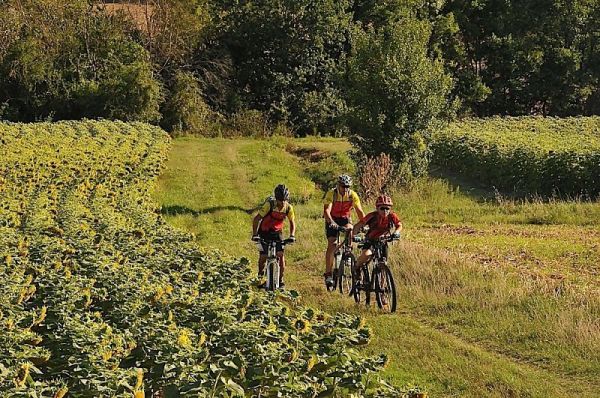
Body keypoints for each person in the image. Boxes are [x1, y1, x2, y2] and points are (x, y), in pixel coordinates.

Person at [322, 174, 365, 287]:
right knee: (332, 244)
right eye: (343, 186)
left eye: (347, 186)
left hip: (345, 218)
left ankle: (348, 251)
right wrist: (331, 222)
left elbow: (359, 211)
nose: (345, 188)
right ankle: (328, 274)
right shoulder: (332, 194)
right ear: (338, 185)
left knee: (350, 228)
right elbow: (327, 210)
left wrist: (365, 224)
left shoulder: (352, 195)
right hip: (332, 218)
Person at [251, 184, 296, 288]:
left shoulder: (288, 208)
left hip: (277, 232)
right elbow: (257, 219)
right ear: (276, 199)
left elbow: (292, 222)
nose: (282, 202)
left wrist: (292, 235)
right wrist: (255, 234)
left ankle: (280, 280)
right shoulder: (269, 205)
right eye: (280, 200)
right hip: (264, 231)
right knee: (263, 256)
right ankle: (260, 276)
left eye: (285, 200)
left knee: (280, 255)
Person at [352, 194, 402, 274]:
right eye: (382, 208)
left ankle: (383, 284)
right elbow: (358, 226)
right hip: (371, 240)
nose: (385, 211)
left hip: (383, 241)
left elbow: (399, 225)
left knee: (383, 263)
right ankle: (357, 267)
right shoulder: (372, 216)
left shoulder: (392, 216)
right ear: (377, 208)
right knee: (366, 255)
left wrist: (396, 232)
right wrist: (354, 236)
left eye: (387, 208)